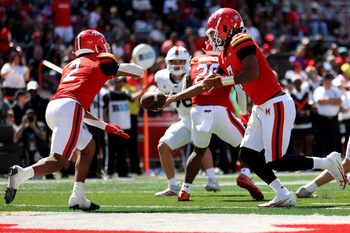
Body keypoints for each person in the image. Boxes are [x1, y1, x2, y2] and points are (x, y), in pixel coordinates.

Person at [202, 8, 346, 208]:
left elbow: (252, 73)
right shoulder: (224, 55)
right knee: (247, 155)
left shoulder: (240, 39)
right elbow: (210, 83)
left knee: (277, 161)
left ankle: (328, 162)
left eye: (214, 32)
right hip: (261, 107)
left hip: (274, 103)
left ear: (227, 26)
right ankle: (282, 194)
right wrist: (171, 98)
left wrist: (221, 82)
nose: (213, 38)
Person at [4, 29, 144, 211]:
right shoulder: (101, 61)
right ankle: (22, 174)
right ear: (97, 44)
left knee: (88, 146)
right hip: (70, 108)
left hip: (55, 108)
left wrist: (104, 126)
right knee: (58, 161)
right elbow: (138, 72)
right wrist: (121, 64)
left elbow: (79, 110)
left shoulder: (70, 65)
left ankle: (77, 196)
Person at [161, 43, 263, 201]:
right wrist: (243, 112)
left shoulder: (195, 61)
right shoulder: (226, 60)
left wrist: (173, 98)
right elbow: (240, 89)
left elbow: (192, 87)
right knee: (248, 145)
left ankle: (185, 190)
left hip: (197, 112)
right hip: (220, 111)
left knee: (198, 151)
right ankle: (244, 175)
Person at [154, 45, 220, 196]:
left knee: (201, 145)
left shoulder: (195, 74)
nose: (177, 65)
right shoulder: (161, 77)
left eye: (181, 61)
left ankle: (213, 179)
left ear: (188, 62)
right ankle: (172, 186)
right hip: (184, 120)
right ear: (167, 62)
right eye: (174, 61)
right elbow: (161, 95)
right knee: (163, 146)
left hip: (201, 116)